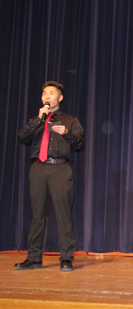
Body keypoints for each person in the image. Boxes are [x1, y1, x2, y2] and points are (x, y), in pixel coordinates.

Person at [15, 81, 85, 272]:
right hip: (38, 169)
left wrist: (67, 133)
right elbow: (23, 137)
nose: (47, 96)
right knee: (37, 215)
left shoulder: (70, 119)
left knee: (63, 214)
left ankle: (66, 258)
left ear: (60, 98)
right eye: (44, 93)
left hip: (60, 169)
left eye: (51, 93)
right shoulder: (37, 119)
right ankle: (34, 257)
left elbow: (80, 144)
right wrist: (39, 119)